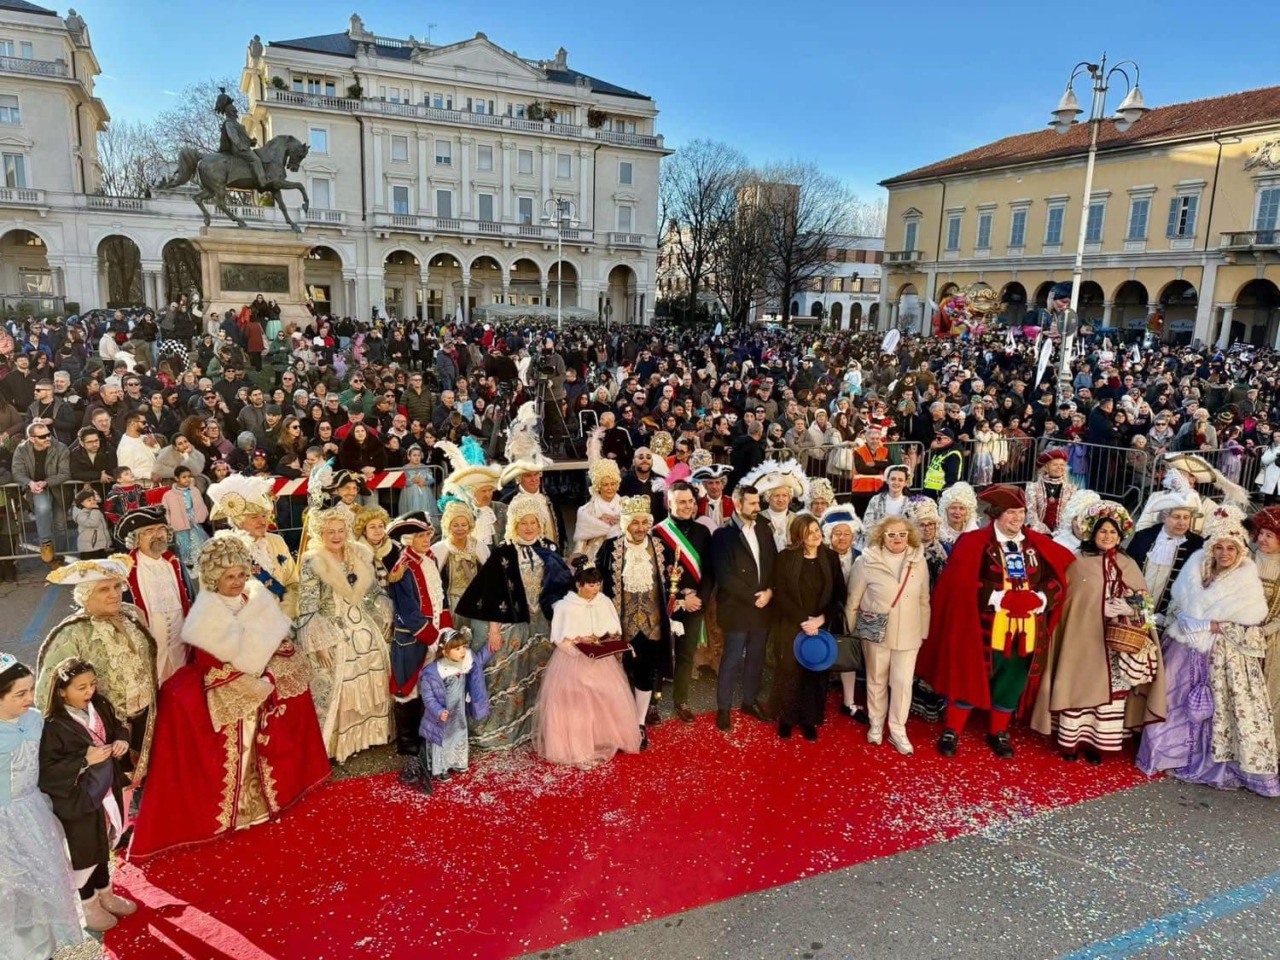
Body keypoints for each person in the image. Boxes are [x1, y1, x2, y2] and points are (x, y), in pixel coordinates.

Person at [128, 533, 330, 860]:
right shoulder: (205, 613)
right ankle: (237, 811)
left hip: (259, 680)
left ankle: (272, 795)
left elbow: (279, 643)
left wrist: (271, 671)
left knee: (295, 695)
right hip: (226, 686)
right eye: (228, 577)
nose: (236, 582)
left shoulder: (256, 599)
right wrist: (256, 679)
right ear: (213, 579)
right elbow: (211, 664)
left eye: (240, 575)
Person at [919, 484, 1075, 759]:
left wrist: (1039, 599)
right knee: (969, 676)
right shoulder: (973, 543)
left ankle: (998, 732)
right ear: (996, 515)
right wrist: (998, 598)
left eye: (1021, 512)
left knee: (1011, 680)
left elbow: (1057, 579)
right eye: (1012, 513)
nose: (1017, 518)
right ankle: (952, 730)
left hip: (1025, 630)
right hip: (982, 627)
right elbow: (960, 586)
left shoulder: (1035, 544)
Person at [1137, 507, 1279, 796]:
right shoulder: (1195, 570)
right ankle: (1170, 754)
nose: (1224, 553)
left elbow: (1252, 627)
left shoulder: (1246, 579)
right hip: (1185, 647)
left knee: (1221, 709)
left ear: (1240, 552)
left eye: (1231, 548)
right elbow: (1177, 605)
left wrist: (1214, 625)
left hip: (1226, 656)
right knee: (1171, 700)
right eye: (1219, 547)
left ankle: (1213, 762)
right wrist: (1182, 619)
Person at [1031, 503, 1166, 763]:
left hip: (1116, 646)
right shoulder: (1077, 562)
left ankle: (1097, 743)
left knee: (1111, 694)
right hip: (1081, 641)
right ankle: (1071, 742)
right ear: (1092, 533)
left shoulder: (1128, 563)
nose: (1107, 537)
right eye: (1102, 531)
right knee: (1078, 685)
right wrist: (1095, 608)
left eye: (1112, 533)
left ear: (1120, 535)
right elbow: (1068, 601)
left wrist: (1131, 606)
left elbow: (1145, 602)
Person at [453, 492, 573, 751]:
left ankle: (538, 725)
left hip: (541, 622)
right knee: (508, 675)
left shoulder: (548, 548)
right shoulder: (503, 552)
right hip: (511, 624)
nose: (529, 528)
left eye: (533, 523)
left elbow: (561, 585)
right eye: (523, 523)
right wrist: (494, 630)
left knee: (541, 671)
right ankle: (502, 727)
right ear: (514, 525)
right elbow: (492, 592)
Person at [38, 657, 136, 932]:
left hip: (106, 790)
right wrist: (83, 760)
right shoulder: (52, 726)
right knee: (83, 852)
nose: (89, 691)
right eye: (81, 687)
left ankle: (107, 894)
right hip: (76, 800)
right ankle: (89, 905)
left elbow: (118, 727)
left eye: (92, 684)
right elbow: (46, 770)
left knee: (103, 845)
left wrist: (122, 740)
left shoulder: (100, 705)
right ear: (61, 691)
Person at [38, 556, 159, 779]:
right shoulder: (71, 634)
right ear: (85, 596)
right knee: (112, 786)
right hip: (102, 727)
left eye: (117, 586)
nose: (114, 594)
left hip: (145, 717)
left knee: (146, 777)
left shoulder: (133, 615)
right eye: (104, 589)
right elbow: (49, 691)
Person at [0, 656, 86, 957]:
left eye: (31, 690)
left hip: (34, 811)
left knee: (43, 880)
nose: (30, 698)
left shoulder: (35, 718)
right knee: (10, 889)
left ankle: (42, 949)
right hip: (3, 819)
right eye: (20, 693)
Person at [296, 507, 393, 763]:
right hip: (332, 628)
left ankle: (373, 736)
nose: (337, 536)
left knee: (376, 662)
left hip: (363, 624)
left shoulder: (359, 553)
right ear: (321, 533)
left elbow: (373, 591)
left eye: (341, 531)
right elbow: (307, 606)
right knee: (342, 673)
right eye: (331, 532)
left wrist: (385, 607)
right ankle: (339, 745)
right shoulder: (312, 562)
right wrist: (317, 642)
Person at [534, 555, 643, 767]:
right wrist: (576, 644)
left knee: (606, 697)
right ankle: (576, 744)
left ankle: (605, 737)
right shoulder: (565, 606)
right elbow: (559, 638)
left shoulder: (604, 602)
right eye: (591, 585)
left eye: (598, 584)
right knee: (576, 702)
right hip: (573, 661)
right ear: (579, 584)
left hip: (601, 660)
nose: (595, 589)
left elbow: (612, 630)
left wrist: (605, 641)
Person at [596, 495, 675, 751]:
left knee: (645, 674)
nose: (640, 528)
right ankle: (619, 723)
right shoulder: (610, 549)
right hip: (619, 626)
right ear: (625, 524)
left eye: (644, 522)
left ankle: (639, 724)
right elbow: (597, 586)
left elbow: (673, 584)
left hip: (652, 627)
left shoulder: (662, 548)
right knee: (618, 677)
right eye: (635, 523)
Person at [846, 516, 930, 755]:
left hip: (909, 632)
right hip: (875, 630)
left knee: (903, 683)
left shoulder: (918, 561)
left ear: (909, 536)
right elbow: (853, 600)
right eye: (891, 535)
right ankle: (875, 723)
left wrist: (923, 630)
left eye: (902, 534)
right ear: (881, 536)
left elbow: (925, 599)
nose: (897, 539)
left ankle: (898, 729)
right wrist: (853, 631)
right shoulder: (866, 562)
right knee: (875, 679)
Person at [384, 512, 451, 768]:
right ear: (409, 538)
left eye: (428, 534)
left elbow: (440, 599)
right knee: (407, 688)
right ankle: (406, 739)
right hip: (413, 639)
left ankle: (424, 732)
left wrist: (444, 633)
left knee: (429, 686)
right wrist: (432, 637)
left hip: (434, 636)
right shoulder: (404, 566)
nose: (427, 539)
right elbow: (409, 611)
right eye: (421, 535)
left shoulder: (430, 559)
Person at [710, 483, 777, 732]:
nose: (758, 507)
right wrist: (754, 597)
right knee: (732, 659)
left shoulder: (764, 529)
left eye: (758, 502)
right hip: (738, 606)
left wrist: (770, 592)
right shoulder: (722, 535)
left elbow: (773, 563)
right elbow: (725, 576)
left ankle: (749, 701)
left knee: (756, 658)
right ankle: (724, 707)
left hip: (763, 605)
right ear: (738, 505)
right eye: (752, 503)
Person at [767, 514, 839, 742]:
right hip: (792, 624)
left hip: (820, 627)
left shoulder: (831, 557)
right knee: (790, 673)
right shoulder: (785, 558)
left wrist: (819, 620)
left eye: (817, 530)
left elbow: (839, 595)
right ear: (799, 536)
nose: (816, 535)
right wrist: (803, 619)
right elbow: (780, 594)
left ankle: (810, 720)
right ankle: (786, 719)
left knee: (815, 674)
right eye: (810, 532)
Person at [653, 481, 715, 724]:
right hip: (665, 605)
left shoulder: (703, 532)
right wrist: (679, 598)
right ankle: (651, 704)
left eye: (691, 501)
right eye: (682, 502)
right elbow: (655, 574)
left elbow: (710, 571)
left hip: (695, 605)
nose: (688, 506)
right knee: (660, 655)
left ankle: (681, 701)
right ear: (670, 503)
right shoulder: (658, 533)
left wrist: (699, 598)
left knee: (686, 656)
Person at [117, 506, 195, 686]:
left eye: (161, 529)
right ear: (136, 538)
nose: (157, 535)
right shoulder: (125, 569)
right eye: (149, 531)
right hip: (149, 655)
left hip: (181, 650)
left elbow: (192, 600)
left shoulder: (174, 564)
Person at [207, 474, 300, 617]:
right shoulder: (221, 550)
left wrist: (285, 614)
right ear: (238, 521)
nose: (262, 521)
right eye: (254, 517)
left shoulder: (276, 541)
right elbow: (212, 597)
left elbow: (293, 583)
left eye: (264, 515)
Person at [417, 628, 493, 787]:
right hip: (441, 715)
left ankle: (457, 762)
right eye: (457, 649)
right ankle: (441, 768)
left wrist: (490, 649)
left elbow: (478, 660)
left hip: (458, 712)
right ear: (445, 652)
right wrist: (438, 711)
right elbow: (428, 697)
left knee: (458, 734)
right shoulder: (433, 672)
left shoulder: (463, 664)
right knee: (442, 738)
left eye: (464, 647)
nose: (463, 652)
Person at [1126, 491, 1203, 621]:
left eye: (1186, 517)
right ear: (1163, 517)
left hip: (1167, 616)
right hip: (1132, 608)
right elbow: (1127, 568)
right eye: (1176, 517)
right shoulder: (1144, 536)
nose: (1182, 522)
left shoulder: (1196, 545)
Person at [12, 421, 69, 564]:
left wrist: (46, 482)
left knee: (61, 525)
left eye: (48, 434)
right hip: (36, 488)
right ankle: (46, 543)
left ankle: (59, 557)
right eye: (42, 436)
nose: (48, 438)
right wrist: (30, 483)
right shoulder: (21, 450)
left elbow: (65, 473)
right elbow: (17, 472)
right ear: (32, 438)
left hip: (58, 488)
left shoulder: (60, 448)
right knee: (43, 508)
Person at [1249, 507, 1280, 754]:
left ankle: (1263, 750)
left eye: (1270, 535)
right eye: (1261, 533)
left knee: (1267, 694)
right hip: (1239, 633)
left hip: (1272, 639)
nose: (1263, 539)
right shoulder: (1245, 557)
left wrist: (1266, 630)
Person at [161, 465, 209, 568]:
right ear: (176, 478)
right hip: (179, 524)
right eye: (184, 477)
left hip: (194, 522)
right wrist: (169, 523)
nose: (187, 479)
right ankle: (187, 565)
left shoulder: (194, 490)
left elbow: (201, 505)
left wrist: (202, 515)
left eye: (189, 476)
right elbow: (166, 511)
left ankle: (203, 563)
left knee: (199, 542)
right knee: (184, 546)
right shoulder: (168, 495)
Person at [575, 457, 624, 558]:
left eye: (613, 484)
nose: (610, 488)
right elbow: (581, 540)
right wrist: (577, 554)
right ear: (598, 486)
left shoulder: (626, 504)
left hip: (621, 552)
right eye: (605, 485)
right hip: (596, 555)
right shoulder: (588, 509)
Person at [1025, 449, 1079, 536]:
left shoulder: (1071, 489)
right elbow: (1031, 513)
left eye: (1062, 465)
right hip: (1037, 532)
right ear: (1046, 467)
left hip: (1062, 533)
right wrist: (1044, 532)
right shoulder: (1033, 487)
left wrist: (1057, 534)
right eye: (1055, 465)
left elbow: (1071, 514)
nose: (1059, 467)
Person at [858, 464, 910, 551]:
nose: (896, 483)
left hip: (902, 546)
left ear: (905, 483)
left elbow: (912, 530)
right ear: (887, 480)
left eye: (900, 480)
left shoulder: (911, 503)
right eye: (893, 479)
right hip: (877, 545)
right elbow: (867, 525)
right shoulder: (876, 500)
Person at [936, 481, 979, 551]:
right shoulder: (937, 532)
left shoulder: (973, 532)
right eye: (953, 508)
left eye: (962, 508)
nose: (957, 512)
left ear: (968, 511)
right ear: (946, 509)